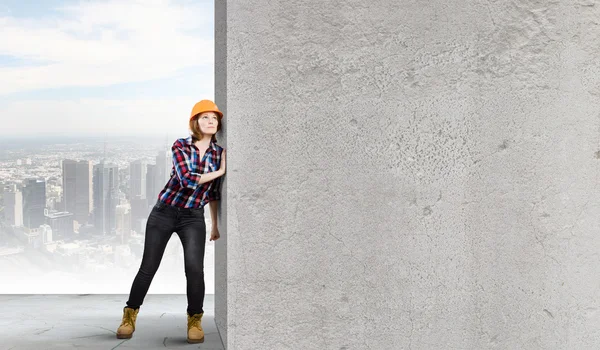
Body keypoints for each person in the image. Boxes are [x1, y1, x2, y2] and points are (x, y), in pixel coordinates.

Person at [115, 99, 226, 344]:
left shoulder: (219, 153)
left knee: (195, 270)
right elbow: (187, 179)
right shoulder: (181, 145)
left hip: (193, 217)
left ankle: (195, 319)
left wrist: (215, 224)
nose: (210, 121)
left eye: (215, 118)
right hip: (164, 213)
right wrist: (219, 171)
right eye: (205, 117)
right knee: (148, 267)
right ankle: (129, 315)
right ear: (195, 121)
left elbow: (213, 193)